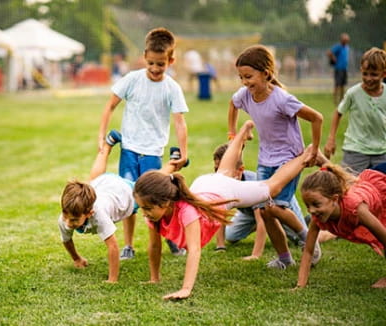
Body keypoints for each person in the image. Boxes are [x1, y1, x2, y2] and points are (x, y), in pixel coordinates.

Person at [134, 121, 315, 300]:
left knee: (272, 188)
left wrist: (186, 289)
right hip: (204, 185)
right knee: (224, 171)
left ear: (166, 202)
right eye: (142, 208)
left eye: (147, 208)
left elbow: (195, 250)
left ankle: (306, 155)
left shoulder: (186, 212)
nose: (144, 213)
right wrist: (154, 278)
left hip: (221, 191)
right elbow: (155, 246)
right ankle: (244, 130)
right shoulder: (154, 215)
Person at [227, 45, 323, 270]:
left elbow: (317, 118)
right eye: (241, 77)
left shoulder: (282, 99)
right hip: (265, 160)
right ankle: (284, 259)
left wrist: (315, 150)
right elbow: (232, 104)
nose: (244, 82)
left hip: (289, 158)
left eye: (249, 76)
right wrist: (232, 133)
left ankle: (307, 239)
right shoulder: (245, 95)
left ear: (266, 73)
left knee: (275, 207)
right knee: (263, 210)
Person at [98, 27, 189, 259]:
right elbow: (109, 106)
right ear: (144, 57)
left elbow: (179, 122)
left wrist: (184, 152)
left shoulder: (172, 88)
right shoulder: (132, 80)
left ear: (171, 60)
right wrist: (101, 138)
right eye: (151, 63)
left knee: (158, 199)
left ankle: (168, 238)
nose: (155, 69)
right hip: (129, 150)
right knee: (128, 198)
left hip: (152, 153)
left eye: (161, 64)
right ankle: (128, 245)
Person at [58, 131, 144, 283]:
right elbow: (66, 240)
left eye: (73, 220)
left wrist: (112, 279)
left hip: (125, 193)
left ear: (89, 213)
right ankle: (108, 144)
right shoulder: (67, 216)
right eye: (66, 217)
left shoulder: (99, 214)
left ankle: (171, 167)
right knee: (94, 180)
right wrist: (76, 259)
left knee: (150, 187)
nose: (68, 223)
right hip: (104, 185)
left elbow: (113, 246)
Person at [296, 156, 386, 289]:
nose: (311, 211)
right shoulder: (317, 217)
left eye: (316, 204)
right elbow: (308, 251)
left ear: (334, 199)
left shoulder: (357, 210)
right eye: (307, 205)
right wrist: (300, 285)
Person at [212, 143, 308, 260]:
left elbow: (261, 220)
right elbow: (220, 214)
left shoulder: (252, 185)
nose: (219, 173)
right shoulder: (221, 184)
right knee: (231, 235)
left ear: (240, 170)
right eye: (216, 169)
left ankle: (329, 233)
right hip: (250, 213)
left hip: (279, 207)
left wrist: (255, 255)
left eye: (224, 170)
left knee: (300, 239)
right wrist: (220, 246)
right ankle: (265, 226)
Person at [324, 47, 386, 174]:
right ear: (361, 70)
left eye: (374, 74)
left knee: (381, 188)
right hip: (355, 150)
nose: (368, 78)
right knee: (349, 186)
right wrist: (331, 139)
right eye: (365, 74)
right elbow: (338, 112)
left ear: (384, 74)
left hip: (381, 151)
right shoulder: (354, 93)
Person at [327, 33, 351, 105]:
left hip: (344, 68)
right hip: (338, 68)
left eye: (347, 40)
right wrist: (333, 59)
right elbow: (329, 52)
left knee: (343, 85)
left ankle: (341, 100)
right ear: (341, 40)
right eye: (344, 40)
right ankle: (335, 101)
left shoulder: (347, 47)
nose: (346, 41)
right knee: (337, 85)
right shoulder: (338, 47)